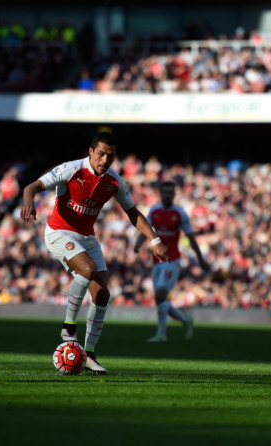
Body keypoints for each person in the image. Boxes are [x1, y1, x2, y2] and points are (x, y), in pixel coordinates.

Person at [20, 132, 169, 374]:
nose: (105, 160)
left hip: (87, 238)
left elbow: (133, 213)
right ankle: (68, 327)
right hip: (59, 232)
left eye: (110, 156)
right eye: (100, 154)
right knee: (87, 269)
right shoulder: (71, 169)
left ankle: (88, 354)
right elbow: (32, 186)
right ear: (90, 152)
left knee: (102, 295)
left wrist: (155, 240)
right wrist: (29, 200)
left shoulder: (114, 181)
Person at [134, 181, 208, 342]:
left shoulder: (180, 214)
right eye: (165, 192)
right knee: (160, 299)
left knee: (161, 294)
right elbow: (146, 229)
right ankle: (185, 320)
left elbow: (191, 238)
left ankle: (161, 334)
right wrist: (138, 243)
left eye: (170, 192)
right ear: (161, 194)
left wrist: (200, 259)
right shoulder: (154, 211)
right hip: (156, 261)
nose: (167, 195)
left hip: (172, 260)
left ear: (174, 194)